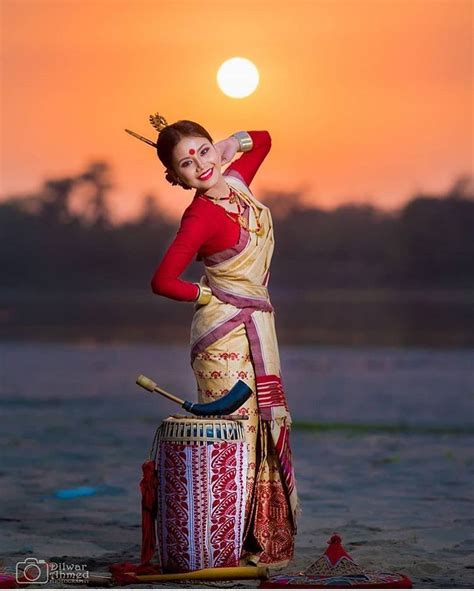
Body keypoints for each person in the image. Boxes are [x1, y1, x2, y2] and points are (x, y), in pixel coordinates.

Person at [125, 114, 298, 567]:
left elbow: (262, 138)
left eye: (202, 150)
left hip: (257, 321)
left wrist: (226, 145)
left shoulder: (237, 182)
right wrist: (204, 293)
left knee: (259, 425)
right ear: (176, 178)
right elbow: (162, 280)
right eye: (186, 163)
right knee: (232, 436)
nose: (200, 164)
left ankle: (251, 539)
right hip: (222, 336)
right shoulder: (200, 215)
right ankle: (218, 538)